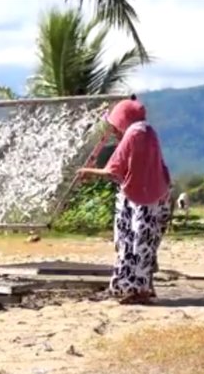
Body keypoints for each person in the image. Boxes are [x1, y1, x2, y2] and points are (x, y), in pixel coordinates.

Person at [77, 96, 171, 304]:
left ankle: (135, 290)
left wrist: (87, 171)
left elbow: (114, 169)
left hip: (137, 200)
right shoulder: (148, 132)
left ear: (122, 119)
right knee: (146, 244)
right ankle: (142, 287)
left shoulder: (133, 133)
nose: (116, 131)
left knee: (131, 243)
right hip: (157, 197)